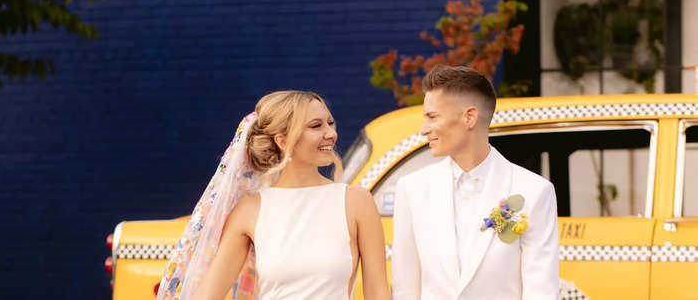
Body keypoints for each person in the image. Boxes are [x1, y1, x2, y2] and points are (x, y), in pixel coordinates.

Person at [157, 90, 390, 300]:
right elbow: (207, 295)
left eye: (330, 123)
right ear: (282, 140)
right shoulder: (250, 210)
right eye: (316, 126)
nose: (330, 133)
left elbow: (378, 292)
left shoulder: (356, 202)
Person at [391, 65, 559, 300]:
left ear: (469, 117)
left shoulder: (534, 192)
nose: (423, 130)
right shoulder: (412, 190)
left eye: (432, 117)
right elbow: (405, 289)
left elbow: (541, 291)